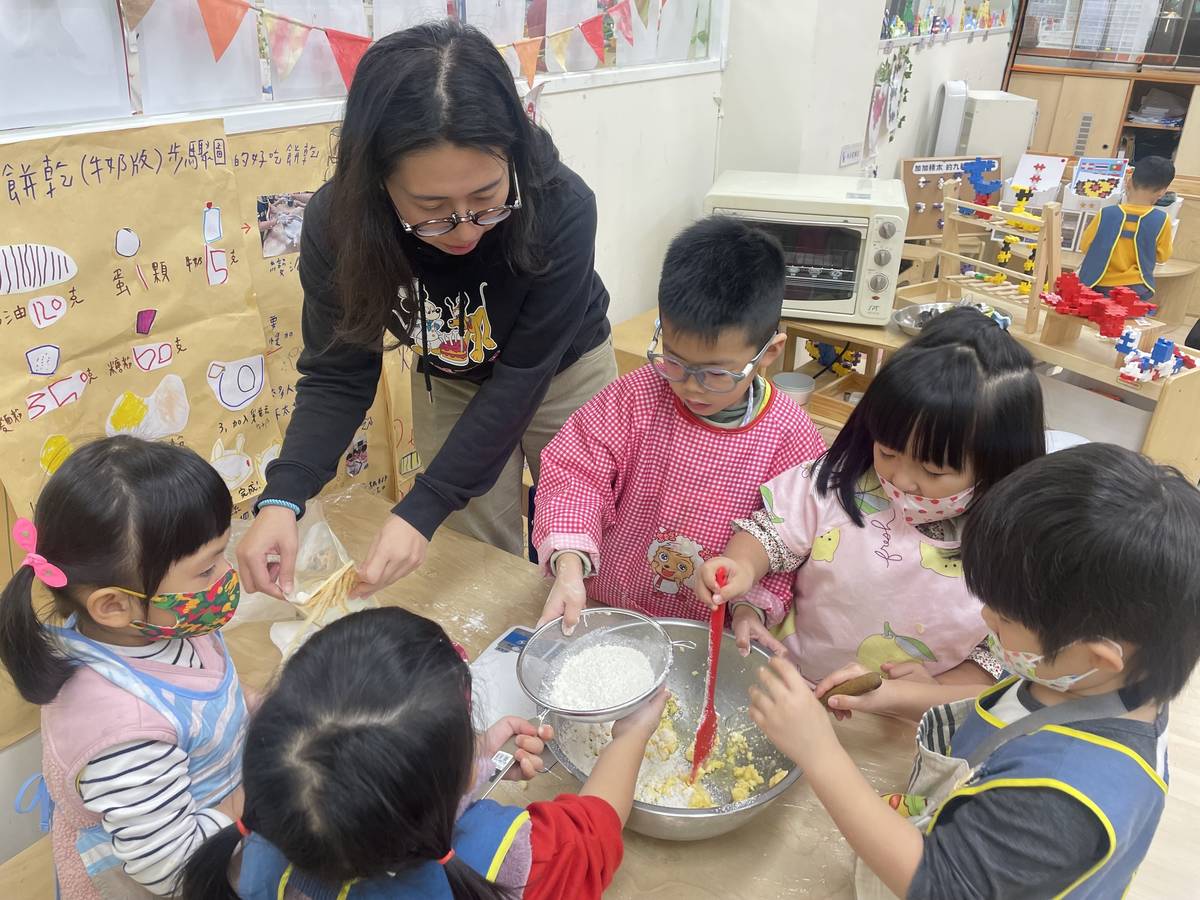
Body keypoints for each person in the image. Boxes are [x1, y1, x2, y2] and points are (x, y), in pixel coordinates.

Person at [238, 21, 615, 601]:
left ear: (512, 153)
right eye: (431, 208)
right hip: (456, 371)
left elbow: (522, 380)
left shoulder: (562, 205)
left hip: (563, 368)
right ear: (378, 180)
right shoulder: (339, 226)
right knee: (473, 550)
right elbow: (339, 372)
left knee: (584, 534)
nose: (464, 228)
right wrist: (284, 495)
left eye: (488, 198)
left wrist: (425, 501)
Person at [748, 444, 1200, 899]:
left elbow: (939, 886)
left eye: (1005, 618)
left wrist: (820, 754)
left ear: (1098, 656)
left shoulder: (1062, 799)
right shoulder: (1093, 684)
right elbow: (1013, 714)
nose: (987, 620)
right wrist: (893, 696)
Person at [180, 607, 668, 899]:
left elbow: (360, 786)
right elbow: (593, 833)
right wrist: (630, 736)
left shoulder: (255, 852)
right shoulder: (500, 861)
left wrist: (463, 765)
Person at [698, 308, 1046, 717]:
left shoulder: (1014, 549)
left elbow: (994, 665)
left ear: (998, 466)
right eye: (888, 452)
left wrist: (923, 695)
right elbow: (768, 534)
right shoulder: (838, 481)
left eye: (934, 471)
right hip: (791, 685)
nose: (901, 478)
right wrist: (740, 566)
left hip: (903, 718)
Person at [531, 217, 825, 647]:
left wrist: (748, 608)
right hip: (604, 609)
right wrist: (570, 565)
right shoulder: (636, 397)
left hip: (701, 635)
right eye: (674, 359)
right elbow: (577, 475)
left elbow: (787, 541)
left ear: (769, 352)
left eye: (715, 374)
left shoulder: (791, 437)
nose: (689, 385)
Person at [0, 436, 246, 898]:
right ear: (113, 605)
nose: (227, 575)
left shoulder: (160, 624)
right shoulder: (124, 732)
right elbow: (171, 871)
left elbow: (211, 689)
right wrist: (257, 797)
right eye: (207, 570)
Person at [1079, 155, 1175, 302]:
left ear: (1128, 182)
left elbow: (1085, 246)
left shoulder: (1106, 213)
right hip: (1136, 288)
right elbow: (1163, 256)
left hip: (1097, 283)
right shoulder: (1162, 220)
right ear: (1162, 192)